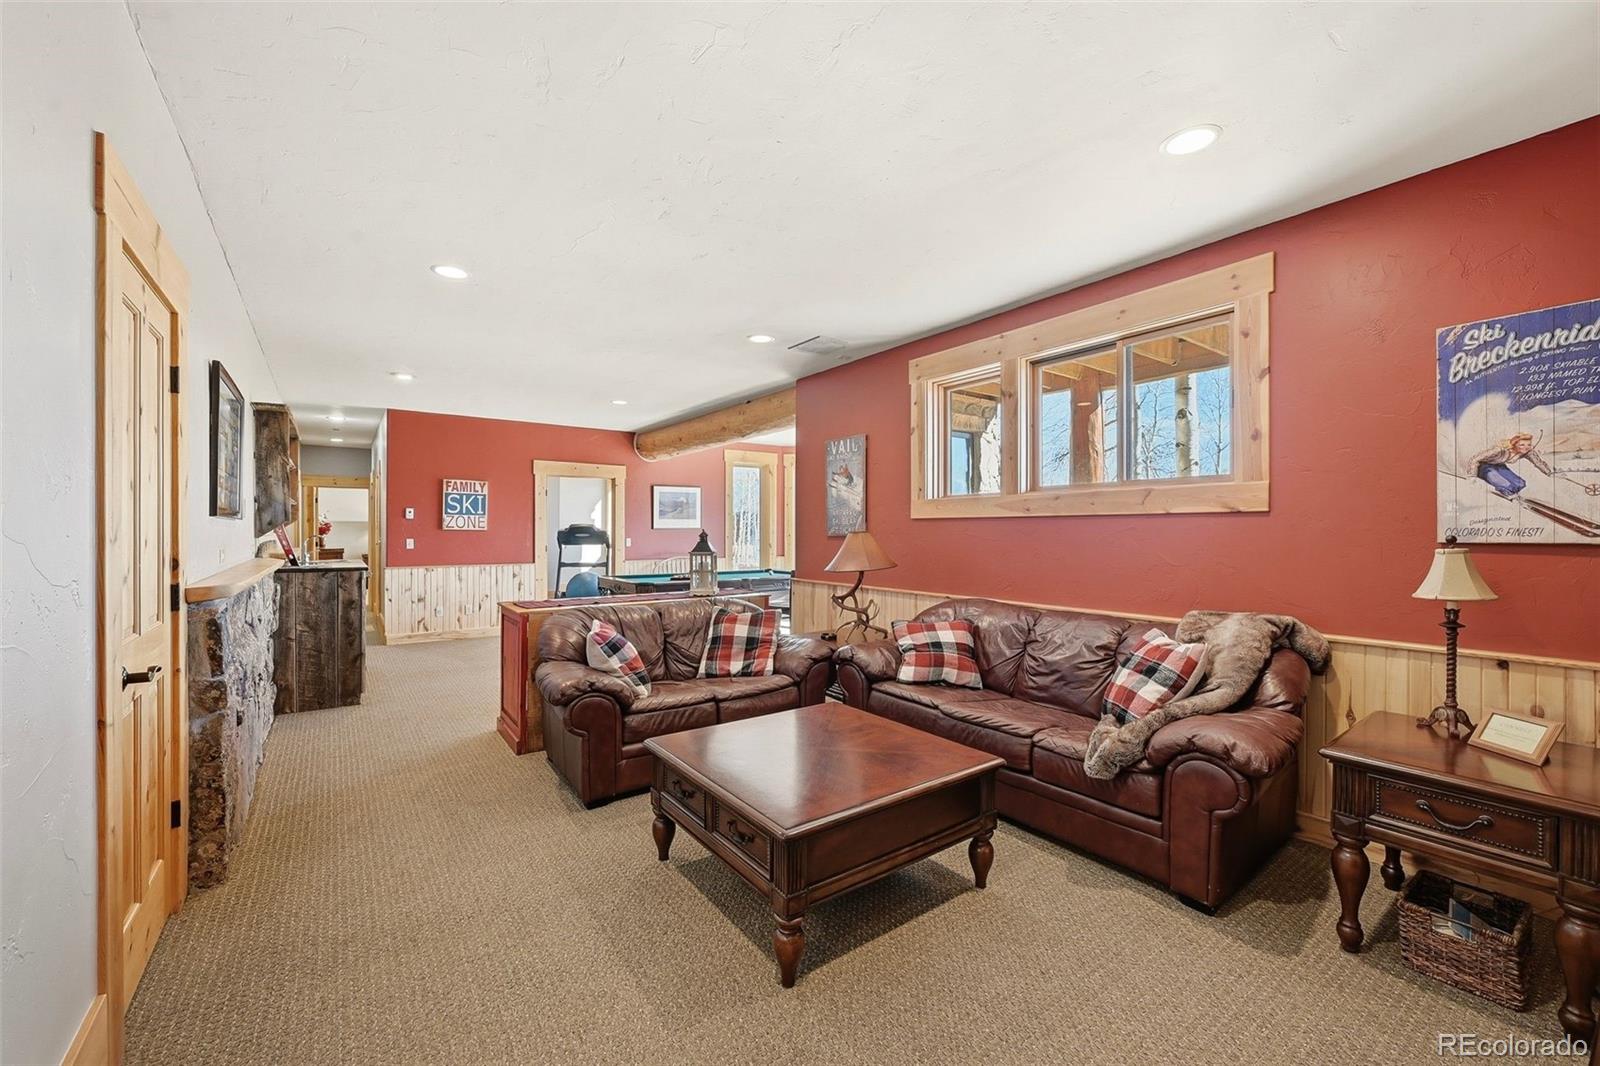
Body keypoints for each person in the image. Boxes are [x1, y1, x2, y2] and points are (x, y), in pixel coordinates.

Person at [1470, 432, 1552, 499]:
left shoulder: (1527, 452)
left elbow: (1538, 462)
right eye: (1522, 445)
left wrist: (1548, 472)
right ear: (1514, 445)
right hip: (1483, 467)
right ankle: (1508, 494)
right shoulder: (1500, 450)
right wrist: (1472, 475)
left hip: (1499, 466)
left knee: (1520, 483)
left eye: (1528, 445)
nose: (1526, 447)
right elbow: (1475, 459)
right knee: (1504, 483)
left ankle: (1513, 493)